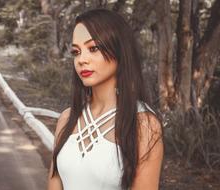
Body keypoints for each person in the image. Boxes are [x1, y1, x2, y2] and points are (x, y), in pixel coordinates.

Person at [47, 8, 164, 190]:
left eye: (93, 48)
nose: (81, 60)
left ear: (119, 50)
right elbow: (53, 184)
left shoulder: (144, 125)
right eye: (76, 52)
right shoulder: (66, 119)